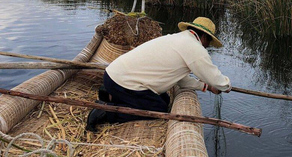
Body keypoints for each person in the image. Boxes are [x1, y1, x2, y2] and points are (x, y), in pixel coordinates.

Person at [86, 16, 231, 132]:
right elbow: (216, 78)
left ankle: (110, 94)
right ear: (205, 37)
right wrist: (226, 85)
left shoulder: (179, 39)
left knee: (164, 99)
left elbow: (181, 80)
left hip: (114, 76)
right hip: (122, 82)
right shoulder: (194, 47)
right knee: (157, 109)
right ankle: (105, 112)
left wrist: (206, 87)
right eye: (209, 42)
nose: (208, 46)